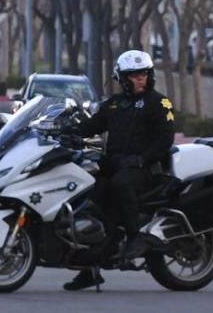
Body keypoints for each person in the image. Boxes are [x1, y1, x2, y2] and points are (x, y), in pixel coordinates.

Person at [62, 49, 176, 291]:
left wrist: (140, 160)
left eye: (143, 74)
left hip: (144, 169)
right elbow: (93, 125)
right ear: (122, 78)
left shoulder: (158, 102)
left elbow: (165, 139)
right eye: (134, 75)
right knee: (86, 195)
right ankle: (89, 267)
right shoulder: (114, 104)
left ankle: (136, 236)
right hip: (115, 165)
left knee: (120, 184)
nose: (140, 78)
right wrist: (67, 131)